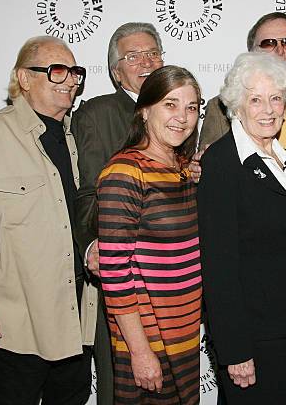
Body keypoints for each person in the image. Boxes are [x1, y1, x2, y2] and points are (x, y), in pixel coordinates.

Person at [0, 35, 97, 404]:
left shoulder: (76, 137)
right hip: (15, 324)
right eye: (56, 71)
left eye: (74, 71)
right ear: (24, 78)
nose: (70, 80)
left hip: (76, 317)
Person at [198, 52, 286, 404]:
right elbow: (220, 267)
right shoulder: (222, 163)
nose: (267, 109)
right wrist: (235, 350)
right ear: (237, 105)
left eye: (275, 98)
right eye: (256, 99)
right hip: (253, 338)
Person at [70, 21, 165, 404]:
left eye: (153, 53)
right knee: (124, 384)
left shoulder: (175, 111)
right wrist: (100, 247)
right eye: (133, 56)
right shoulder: (98, 113)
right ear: (115, 71)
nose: (146, 61)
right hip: (123, 274)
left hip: (171, 278)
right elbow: (87, 195)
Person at [97, 65, 202, 404]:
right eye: (170, 105)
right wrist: (140, 352)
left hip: (184, 337)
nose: (182, 117)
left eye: (191, 107)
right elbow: (114, 272)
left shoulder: (182, 169)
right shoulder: (125, 171)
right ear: (143, 110)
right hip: (148, 341)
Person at [198, 12, 286, 151]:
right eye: (268, 43)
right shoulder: (220, 107)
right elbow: (208, 162)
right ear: (252, 52)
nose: (280, 51)